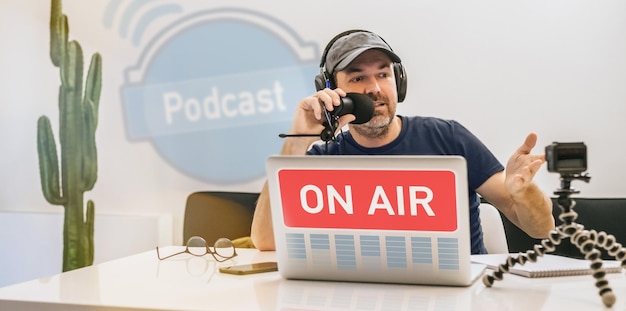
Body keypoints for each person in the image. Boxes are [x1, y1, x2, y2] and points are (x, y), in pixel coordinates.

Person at [250, 29, 555, 254]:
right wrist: (296, 142)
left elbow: (540, 228)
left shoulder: (448, 138)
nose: (374, 89)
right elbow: (265, 242)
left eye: (383, 75)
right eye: (357, 78)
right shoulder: (323, 157)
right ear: (331, 92)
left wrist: (524, 193)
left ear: (399, 82)